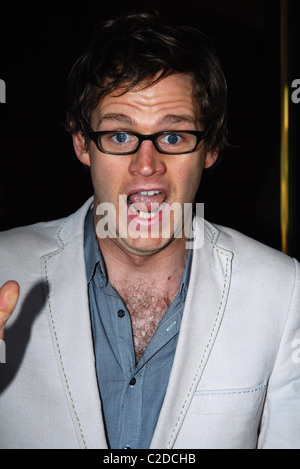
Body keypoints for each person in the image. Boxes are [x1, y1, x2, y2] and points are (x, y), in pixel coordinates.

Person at [0, 13, 299, 450]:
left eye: (174, 137)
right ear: (82, 143)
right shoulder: (4, 268)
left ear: (210, 147)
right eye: (120, 135)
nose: (147, 165)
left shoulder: (284, 290)